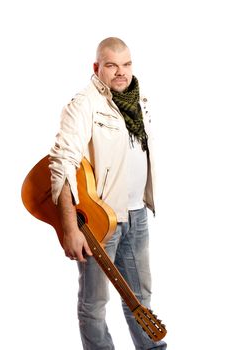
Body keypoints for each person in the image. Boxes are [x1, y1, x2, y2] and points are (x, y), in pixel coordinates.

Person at [49, 37, 167, 350]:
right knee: (94, 304)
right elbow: (61, 165)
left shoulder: (138, 99)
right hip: (101, 222)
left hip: (137, 214)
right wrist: (70, 228)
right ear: (96, 67)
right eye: (111, 65)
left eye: (126, 64)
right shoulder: (84, 104)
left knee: (140, 298)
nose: (121, 72)